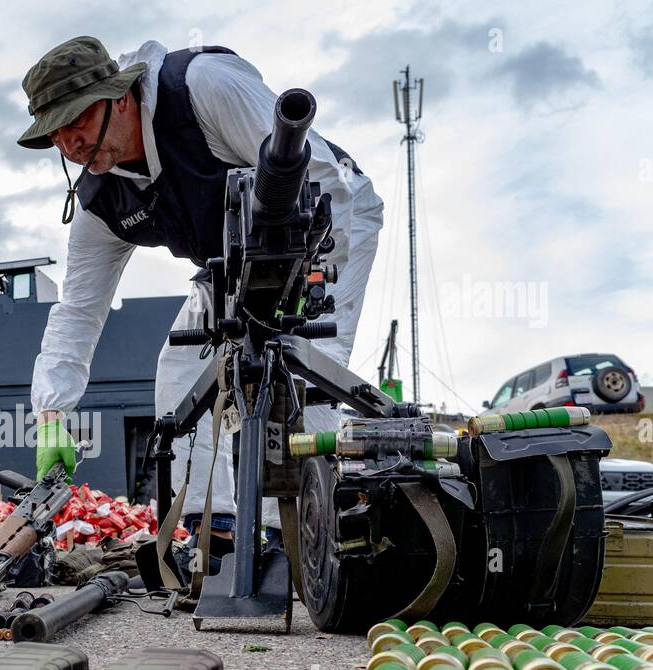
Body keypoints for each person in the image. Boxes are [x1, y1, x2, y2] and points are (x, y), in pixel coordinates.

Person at [20, 36, 383, 557]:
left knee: (308, 368)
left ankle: (306, 536)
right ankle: (214, 532)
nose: (70, 145)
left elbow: (324, 176)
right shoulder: (101, 203)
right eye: (56, 135)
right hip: (232, 259)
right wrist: (52, 413)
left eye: (75, 121)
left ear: (119, 97)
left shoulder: (202, 88)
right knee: (181, 370)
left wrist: (306, 283)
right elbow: (77, 310)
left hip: (332, 217)